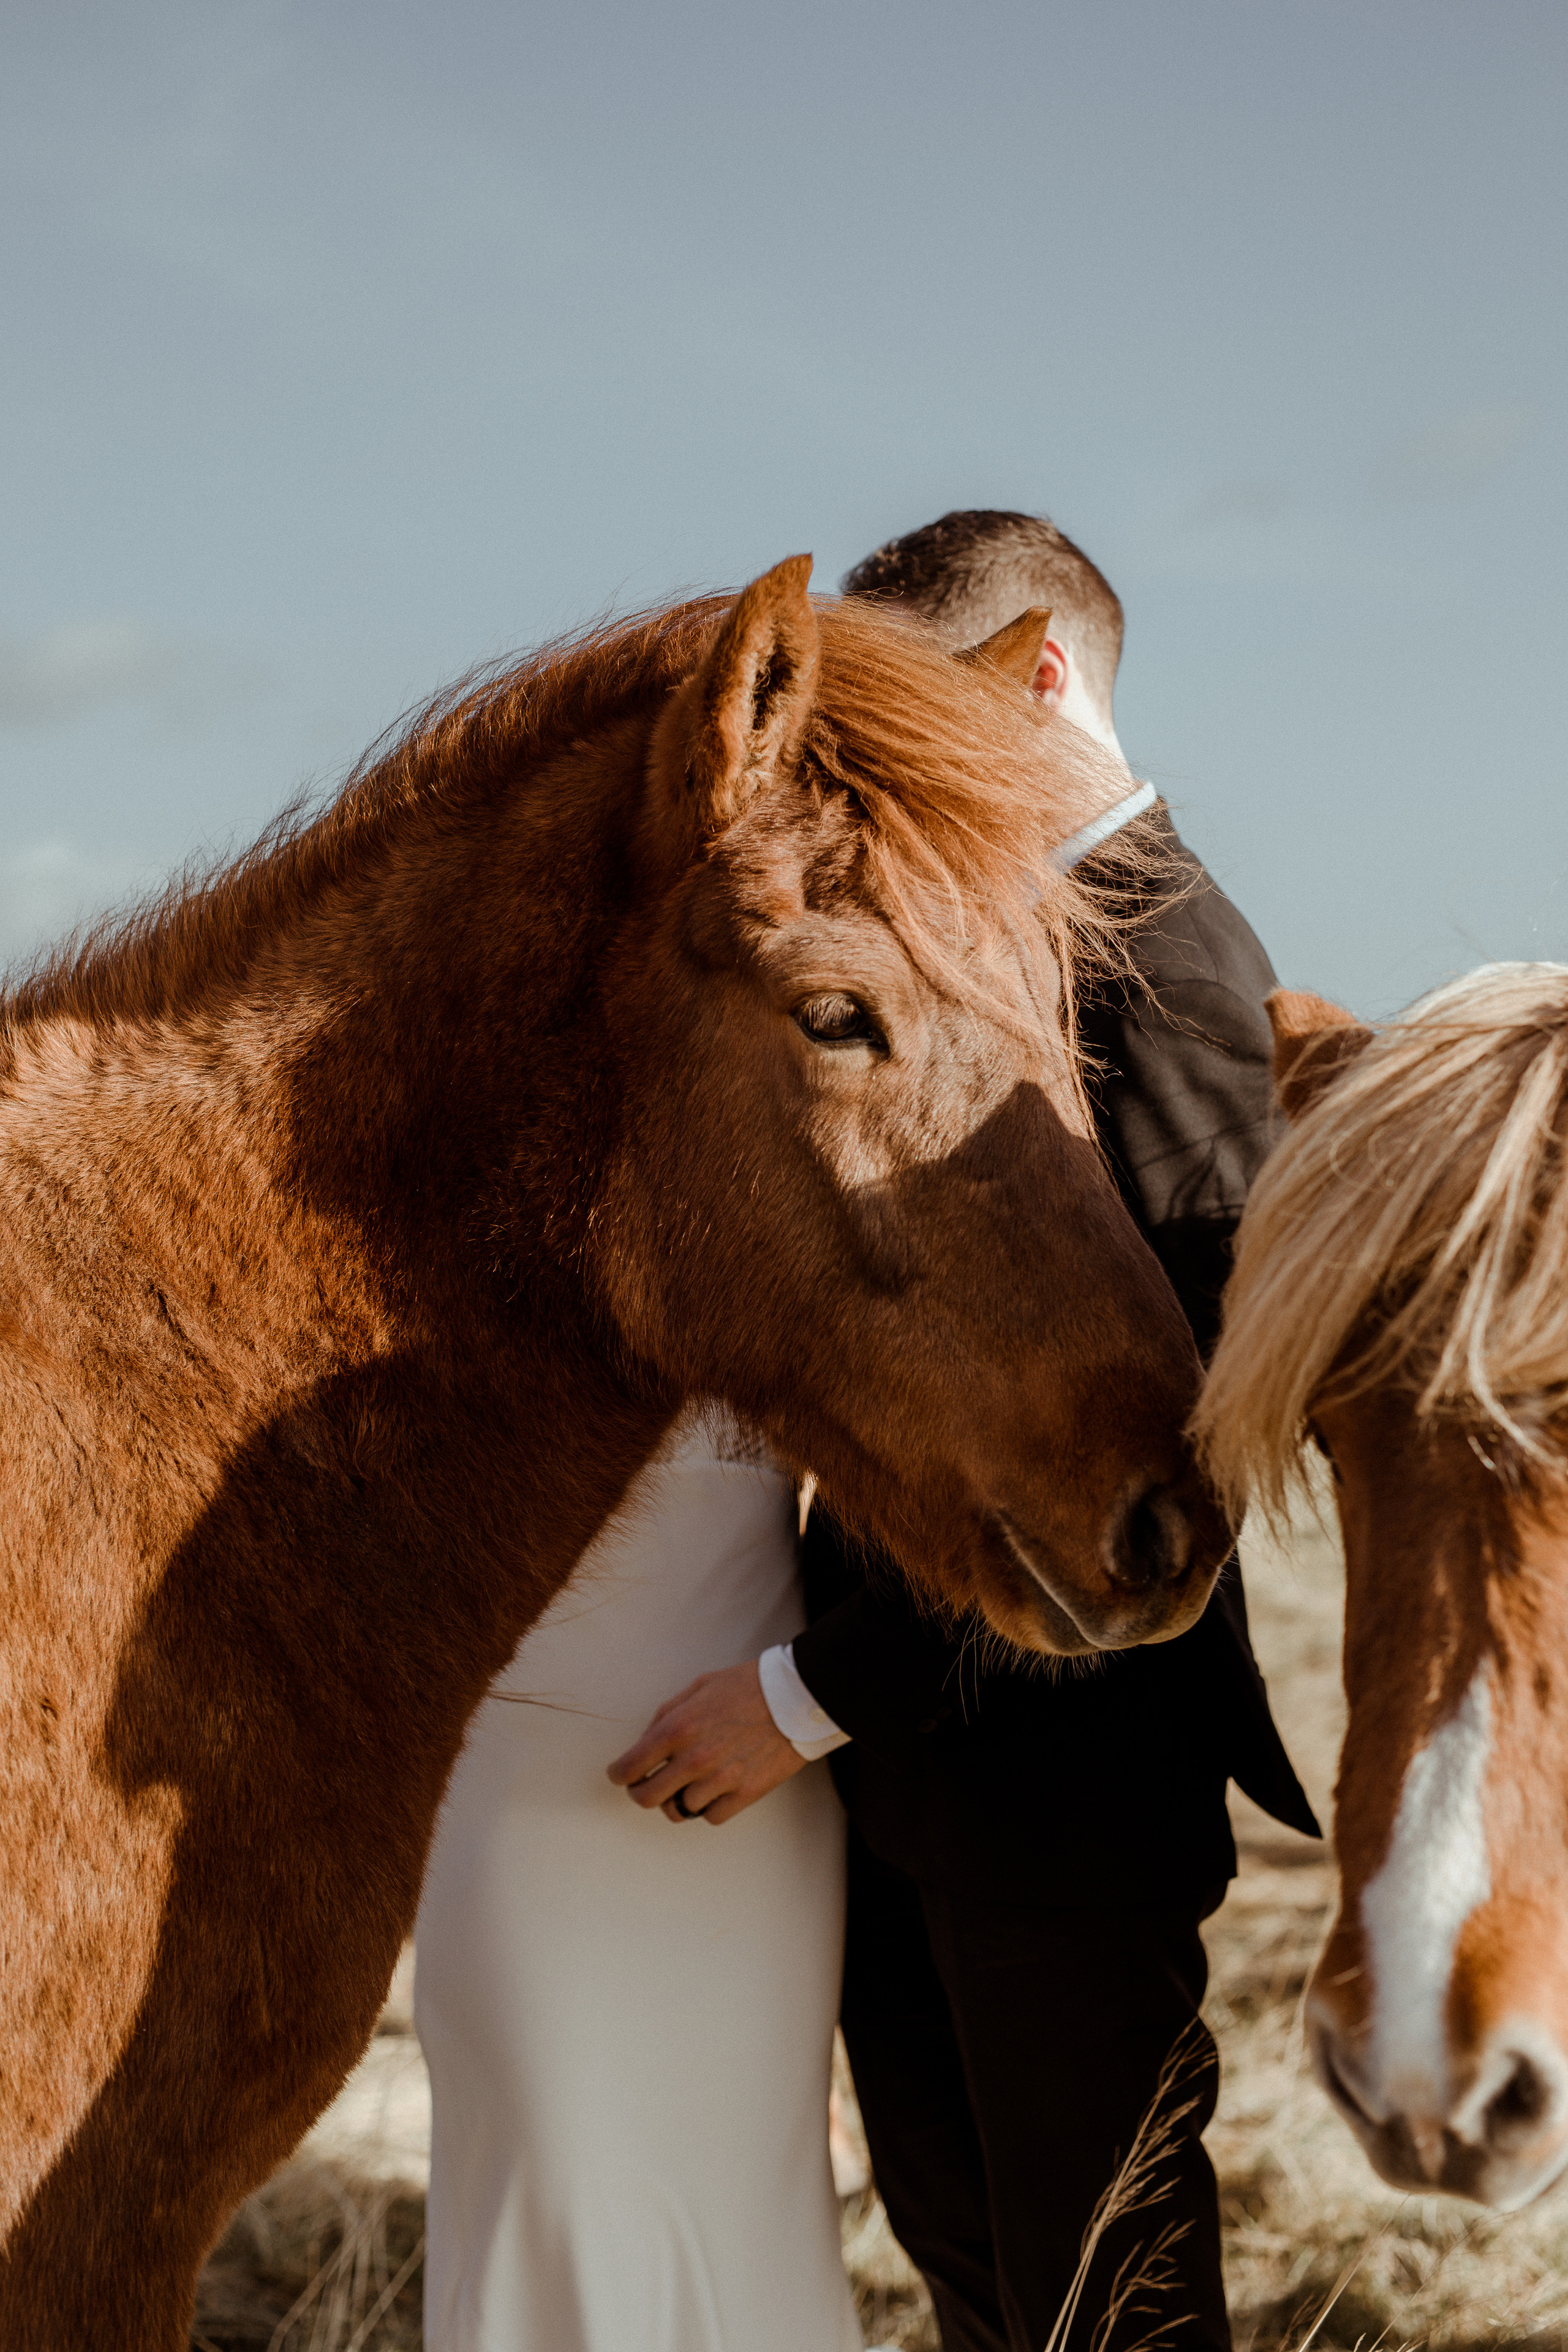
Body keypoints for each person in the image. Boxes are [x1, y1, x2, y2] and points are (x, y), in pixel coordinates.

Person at [613, 511, 1319, 2352]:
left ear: (1039, 681)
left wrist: (799, 1700)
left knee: (1109, 2305)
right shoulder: (1011, 932)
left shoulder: (1171, 966)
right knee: (980, 2281)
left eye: (929, 717)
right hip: (925, 1772)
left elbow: (1152, 1459)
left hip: (1070, 1776)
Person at [413, 1408, 862, 2352]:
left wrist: (805, 1700)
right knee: (555, 2163)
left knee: (745, 2186)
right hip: (511, 1766)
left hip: (752, 1771)